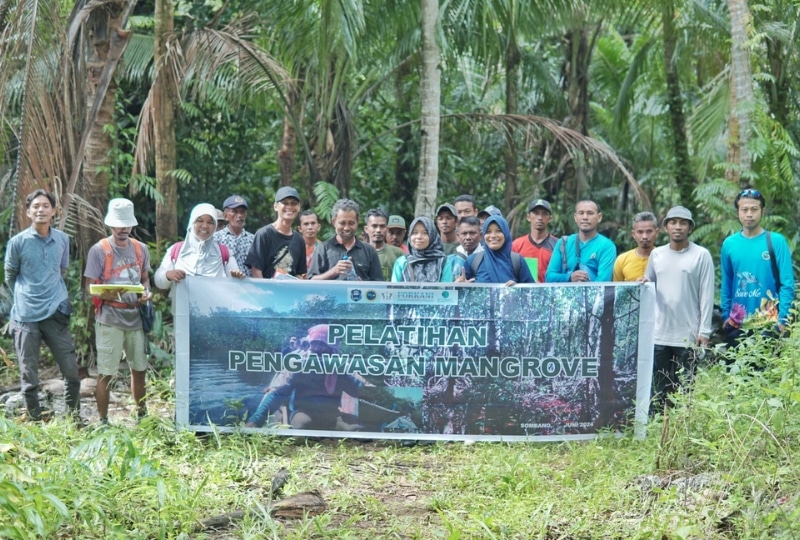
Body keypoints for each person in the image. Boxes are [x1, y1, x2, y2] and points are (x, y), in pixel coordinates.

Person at [4, 189, 81, 422]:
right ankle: (36, 422)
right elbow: (10, 275)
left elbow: (62, 270)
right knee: (29, 376)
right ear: (28, 212)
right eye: (35, 206)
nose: (41, 210)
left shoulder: (63, 240)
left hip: (55, 313)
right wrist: (25, 295)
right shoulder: (17, 242)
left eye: (45, 205)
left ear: (54, 211)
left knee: (71, 372)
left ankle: (72, 419)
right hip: (26, 316)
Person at [84, 198, 152, 424]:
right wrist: (109, 294)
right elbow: (89, 287)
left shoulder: (140, 249)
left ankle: (142, 415)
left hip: (135, 316)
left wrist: (146, 293)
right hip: (110, 316)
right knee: (106, 371)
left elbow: (145, 280)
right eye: (118, 224)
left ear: (132, 225)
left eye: (126, 225)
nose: (122, 229)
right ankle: (103, 420)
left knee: (139, 368)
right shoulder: (99, 250)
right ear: (110, 225)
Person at [643, 206, 714, 410]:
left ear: (690, 227)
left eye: (683, 223)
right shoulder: (657, 255)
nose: (678, 227)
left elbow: (706, 296)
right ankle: (658, 428)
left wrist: (704, 331)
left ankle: (682, 428)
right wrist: (643, 281)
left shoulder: (701, 255)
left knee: (685, 389)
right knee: (659, 387)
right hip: (659, 334)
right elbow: (649, 285)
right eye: (673, 222)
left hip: (688, 334)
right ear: (665, 227)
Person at [246, 324, 370, 430]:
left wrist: (374, 389)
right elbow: (278, 393)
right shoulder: (299, 364)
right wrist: (255, 421)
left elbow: (365, 386)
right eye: (314, 344)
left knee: (353, 429)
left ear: (332, 348)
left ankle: (338, 425)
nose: (316, 349)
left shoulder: (342, 366)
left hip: (331, 414)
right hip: (302, 412)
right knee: (302, 425)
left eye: (322, 345)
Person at [720, 188, 795, 348]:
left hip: (769, 324)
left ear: (762, 211)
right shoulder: (729, 244)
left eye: (754, 209)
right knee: (735, 372)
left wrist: (783, 320)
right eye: (744, 209)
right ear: (737, 212)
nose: (749, 214)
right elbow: (726, 283)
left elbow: (787, 284)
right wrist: (726, 316)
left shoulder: (776, 241)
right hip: (736, 325)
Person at [154, 203, 245, 291]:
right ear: (192, 222)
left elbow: (238, 287)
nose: (205, 226)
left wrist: (235, 280)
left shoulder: (224, 252)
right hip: (182, 306)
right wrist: (168, 275)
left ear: (215, 226)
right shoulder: (176, 250)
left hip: (214, 306)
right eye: (200, 221)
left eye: (210, 222)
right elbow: (159, 281)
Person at [308, 199, 383, 281]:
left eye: (351, 223)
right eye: (342, 223)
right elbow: (311, 281)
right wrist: (333, 272)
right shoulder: (323, 249)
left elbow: (378, 284)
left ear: (358, 222)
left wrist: (363, 286)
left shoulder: (369, 251)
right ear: (334, 222)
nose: (347, 228)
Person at [545, 200, 616, 283]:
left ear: (599, 217)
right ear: (575, 217)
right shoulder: (563, 243)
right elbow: (549, 277)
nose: (585, 217)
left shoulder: (607, 246)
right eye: (581, 213)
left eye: (590, 213)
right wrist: (569, 277)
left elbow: (603, 281)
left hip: (593, 295)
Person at [245, 187, 306, 278]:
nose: (289, 207)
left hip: (290, 291)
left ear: (299, 207)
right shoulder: (263, 234)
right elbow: (256, 271)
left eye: (294, 203)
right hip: (267, 290)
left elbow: (300, 273)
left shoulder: (299, 240)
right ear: (275, 206)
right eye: (285, 203)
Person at [460, 215, 534, 286]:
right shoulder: (473, 261)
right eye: (488, 232)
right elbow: (460, 293)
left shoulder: (517, 261)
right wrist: (460, 286)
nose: (493, 236)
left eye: (498, 231)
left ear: (506, 233)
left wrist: (517, 289)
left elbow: (532, 293)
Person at [391, 217, 455, 282]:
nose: (419, 237)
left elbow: (447, 290)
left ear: (432, 235)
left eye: (425, 233)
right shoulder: (401, 262)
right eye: (415, 233)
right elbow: (394, 290)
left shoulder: (443, 262)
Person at [511, 199, 558, 283]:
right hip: (524, 294)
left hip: (550, 294)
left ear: (550, 218)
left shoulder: (558, 245)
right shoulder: (516, 245)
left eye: (544, 214)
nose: (540, 218)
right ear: (528, 217)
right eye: (536, 213)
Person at [214, 195, 255, 277]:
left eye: (242, 211)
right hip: (225, 287)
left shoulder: (253, 239)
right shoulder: (216, 239)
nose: (240, 215)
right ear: (225, 216)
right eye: (235, 211)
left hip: (248, 287)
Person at [613, 211, 658, 282]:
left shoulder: (664, 258)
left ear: (656, 232)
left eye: (649, 231)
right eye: (640, 232)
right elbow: (617, 290)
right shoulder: (622, 260)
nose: (644, 236)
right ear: (633, 234)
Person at [365, 208, 404, 280]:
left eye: (382, 226)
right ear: (366, 229)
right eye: (374, 226)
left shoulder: (398, 253)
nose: (378, 230)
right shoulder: (360, 252)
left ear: (387, 229)